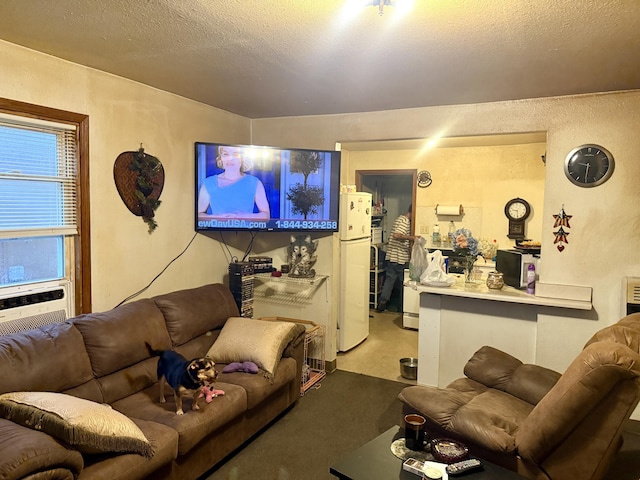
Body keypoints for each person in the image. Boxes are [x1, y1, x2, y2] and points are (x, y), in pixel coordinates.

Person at [198, 145, 270, 220]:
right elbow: (199, 215)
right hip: (216, 230)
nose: (230, 159)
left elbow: (266, 216)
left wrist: (243, 217)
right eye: (226, 154)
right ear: (221, 158)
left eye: (236, 154)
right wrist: (217, 218)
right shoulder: (208, 183)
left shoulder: (255, 183)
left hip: (245, 231)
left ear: (243, 158)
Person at [376, 204, 420, 312]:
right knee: (404, 284)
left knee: (389, 281)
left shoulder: (399, 219)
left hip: (392, 257)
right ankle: (404, 307)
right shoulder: (405, 221)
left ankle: (381, 305)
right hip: (400, 258)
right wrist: (412, 238)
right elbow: (396, 235)